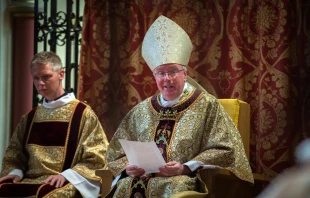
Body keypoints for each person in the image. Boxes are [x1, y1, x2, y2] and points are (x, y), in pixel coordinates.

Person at [106, 15, 254, 197]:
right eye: (161, 73)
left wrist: (185, 168)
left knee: (175, 188)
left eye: (173, 71)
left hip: (184, 180)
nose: (166, 78)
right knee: (124, 186)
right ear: (154, 77)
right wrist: (128, 168)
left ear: (185, 74)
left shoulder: (207, 105)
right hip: (143, 178)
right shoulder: (141, 111)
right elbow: (115, 153)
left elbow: (226, 149)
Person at [0, 51, 109, 198]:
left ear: (61, 74)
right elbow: (14, 154)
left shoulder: (82, 114)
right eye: (36, 78)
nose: (40, 83)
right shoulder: (30, 117)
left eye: (46, 76)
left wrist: (67, 176)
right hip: (27, 180)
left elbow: (97, 156)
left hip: (64, 181)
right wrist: (15, 172)